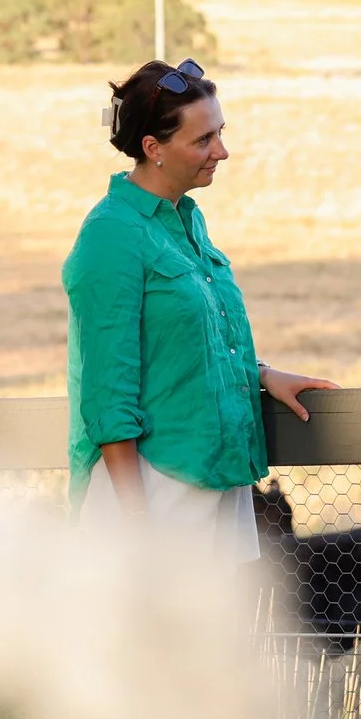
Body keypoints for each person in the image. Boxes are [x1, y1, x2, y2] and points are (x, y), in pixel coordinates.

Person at [64, 58, 336, 559]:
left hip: (215, 475)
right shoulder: (111, 236)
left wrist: (259, 374)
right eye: (203, 140)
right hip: (153, 489)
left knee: (223, 639)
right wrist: (138, 521)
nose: (222, 151)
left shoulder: (186, 219)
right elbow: (107, 393)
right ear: (153, 148)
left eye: (220, 132)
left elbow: (183, 341)